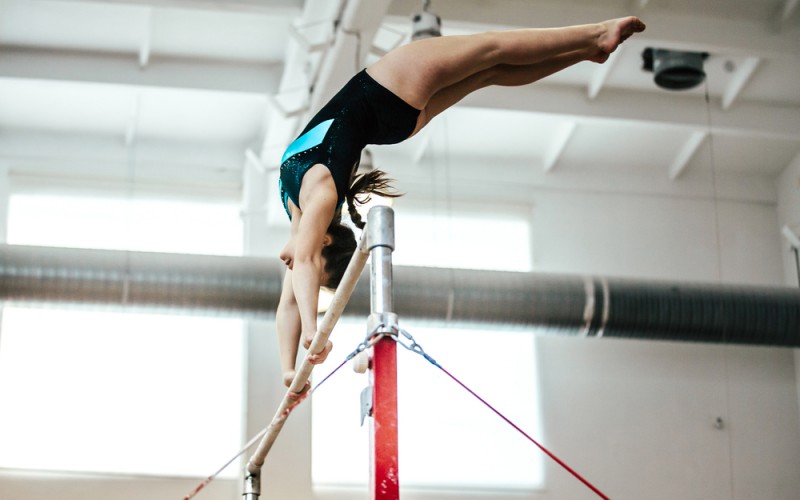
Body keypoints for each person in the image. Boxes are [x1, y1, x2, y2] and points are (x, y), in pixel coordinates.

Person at [276, 16, 646, 391]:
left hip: (392, 118)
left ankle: (587, 52)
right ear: (323, 239)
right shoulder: (318, 196)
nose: (290, 266)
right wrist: (310, 337)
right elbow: (301, 274)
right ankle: (596, 35)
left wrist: (293, 363)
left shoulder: (302, 212)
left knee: (491, 73)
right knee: (491, 49)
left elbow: (291, 299)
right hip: (386, 89)